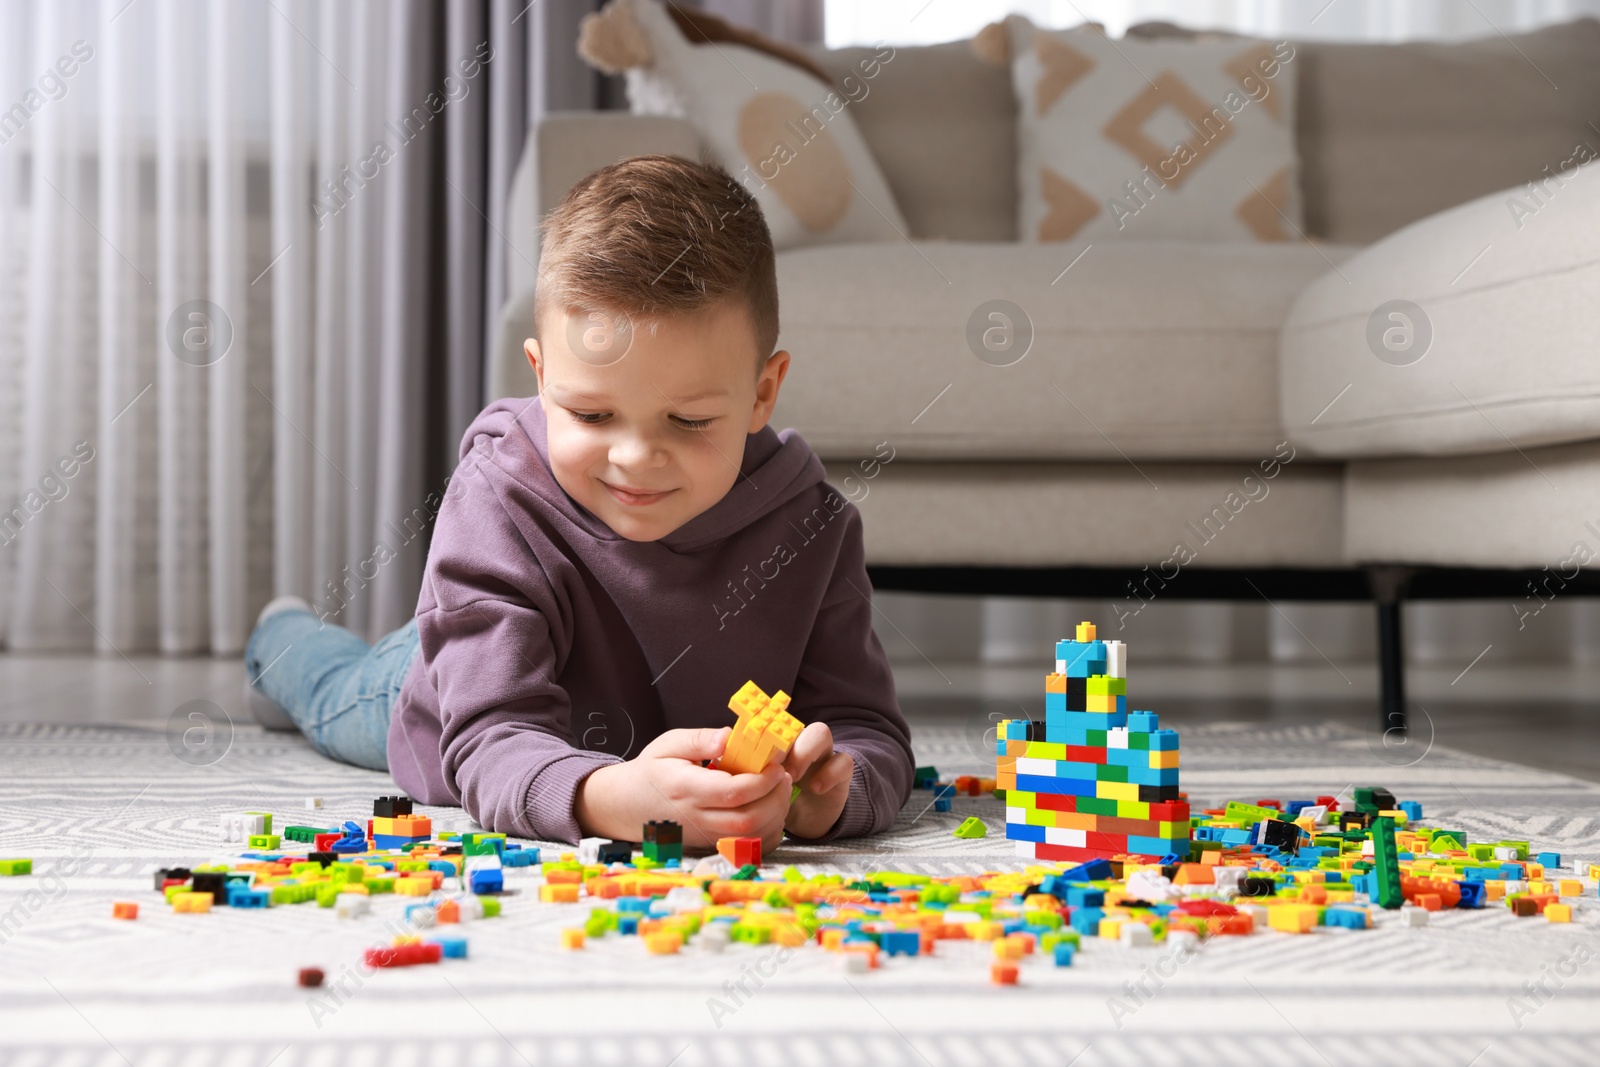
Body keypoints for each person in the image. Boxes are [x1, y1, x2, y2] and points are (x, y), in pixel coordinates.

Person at [245, 154, 913, 852]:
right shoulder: (499, 500)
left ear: (762, 393)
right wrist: (606, 798)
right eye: (593, 416)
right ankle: (280, 637)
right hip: (454, 675)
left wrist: (833, 795)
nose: (635, 457)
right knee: (332, 691)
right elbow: (489, 740)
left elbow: (867, 727)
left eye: (687, 422)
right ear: (541, 375)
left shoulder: (813, 527)